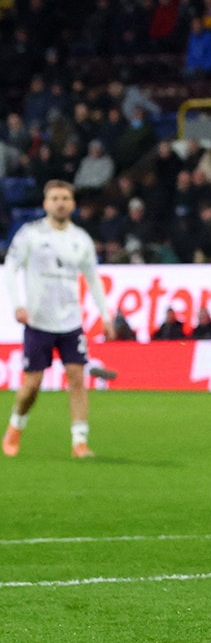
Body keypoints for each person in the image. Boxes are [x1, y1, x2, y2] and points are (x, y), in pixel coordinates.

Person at [3, 180, 115, 459]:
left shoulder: (81, 239)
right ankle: (16, 425)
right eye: (55, 198)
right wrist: (18, 305)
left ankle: (80, 441)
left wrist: (106, 315)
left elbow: (93, 278)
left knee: (77, 378)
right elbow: (11, 267)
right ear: (45, 204)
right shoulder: (30, 234)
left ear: (73, 204)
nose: (60, 202)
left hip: (70, 322)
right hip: (39, 321)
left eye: (65, 198)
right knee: (32, 386)